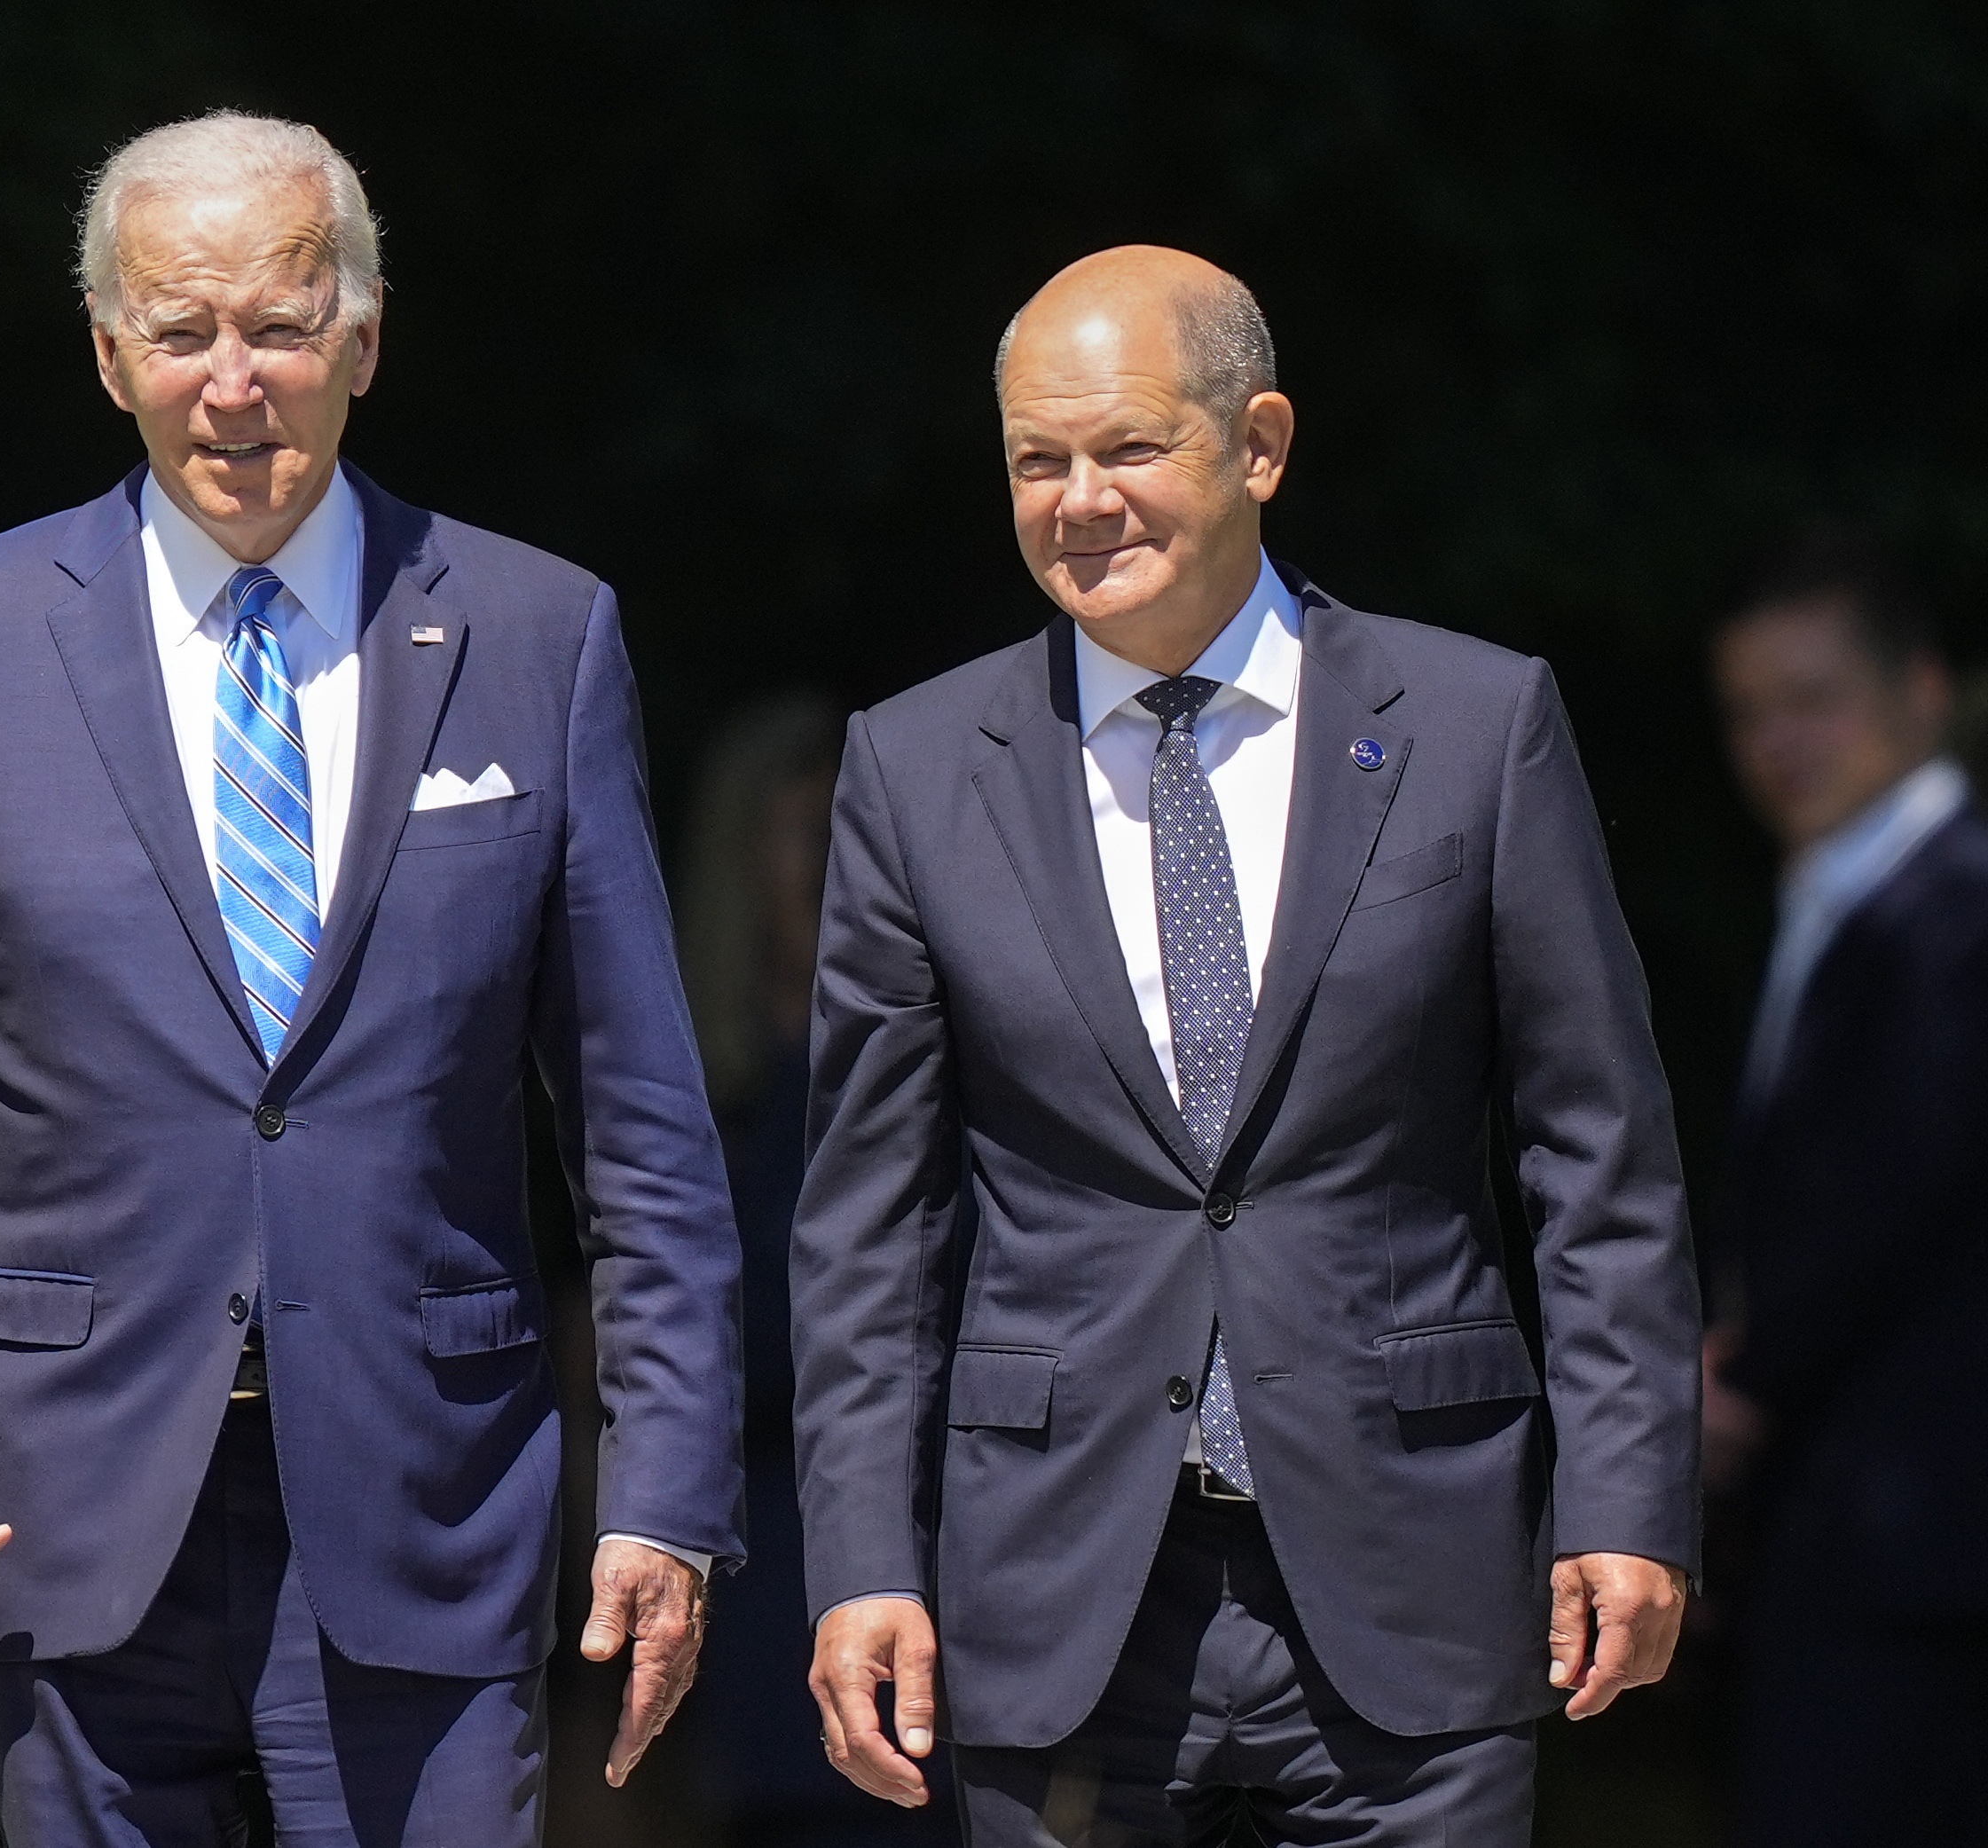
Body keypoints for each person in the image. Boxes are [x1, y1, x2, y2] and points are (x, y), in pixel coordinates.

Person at [0, 113, 743, 1845]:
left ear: (362, 340)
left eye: (279, 327)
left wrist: (666, 1493)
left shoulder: (531, 634)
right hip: (57, 1522)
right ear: (107, 350)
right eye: (183, 330)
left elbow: (644, 1130)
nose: (233, 383)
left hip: (427, 1507)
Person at [790, 247, 1701, 1845]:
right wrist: (864, 1555)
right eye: (1035, 460)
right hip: (1057, 1602)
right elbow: (870, 1220)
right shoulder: (919, 767)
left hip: (1409, 1579)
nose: (1079, 499)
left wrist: (1626, 1499)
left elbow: (1595, 1153)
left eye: (1129, 447)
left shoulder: (1477, 730)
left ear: (1259, 445)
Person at [1705, 536, 1987, 1847]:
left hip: (1919, 1557)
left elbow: (1889, 1198)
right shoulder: (1847, 903)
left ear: (1922, 690)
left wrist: (1738, 1384)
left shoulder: (1953, 918)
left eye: (1811, 698)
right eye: (1749, 712)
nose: (1778, 742)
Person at [674, 695, 961, 1844]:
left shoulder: (961, 1069)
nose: (847, 877)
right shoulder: (690, 1092)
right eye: (813, 840)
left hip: (950, 1566)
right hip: (755, 1577)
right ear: (744, 869)